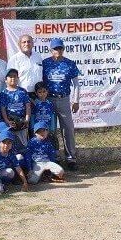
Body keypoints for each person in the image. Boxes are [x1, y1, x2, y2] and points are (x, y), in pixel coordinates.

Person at [42, 38, 81, 169]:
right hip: (48, 100)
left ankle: (71, 158)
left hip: (64, 99)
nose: (58, 50)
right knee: (50, 129)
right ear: (50, 50)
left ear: (63, 49)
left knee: (68, 129)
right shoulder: (45, 63)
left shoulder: (69, 63)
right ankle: (54, 157)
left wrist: (76, 101)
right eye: (55, 48)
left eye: (60, 48)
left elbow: (76, 84)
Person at [0, 131, 29, 195]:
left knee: (11, 172)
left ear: (12, 144)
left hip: (1, 172)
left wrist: (25, 182)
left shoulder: (11, 152)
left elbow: (18, 168)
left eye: (9, 143)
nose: (6, 145)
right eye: (4, 142)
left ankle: (1, 184)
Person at [0, 69, 31, 148]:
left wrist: (27, 119)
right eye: (10, 76)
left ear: (18, 78)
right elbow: (3, 109)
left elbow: (27, 106)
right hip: (10, 123)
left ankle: (23, 158)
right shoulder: (3, 93)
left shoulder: (22, 91)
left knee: (23, 144)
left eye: (15, 76)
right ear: (6, 80)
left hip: (22, 122)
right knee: (10, 143)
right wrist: (7, 121)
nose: (13, 78)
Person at [30, 82, 57, 149]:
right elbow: (32, 116)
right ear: (36, 93)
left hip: (47, 129)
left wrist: (52, 128)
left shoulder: (50, 104)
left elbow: (52, 116)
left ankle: (52, 156)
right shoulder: (34, 104)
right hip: (37, 130)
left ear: (47, 92)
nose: (42, 94)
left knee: (49, 143)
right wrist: (32, 128)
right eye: (40, 92)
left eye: (44, 91)